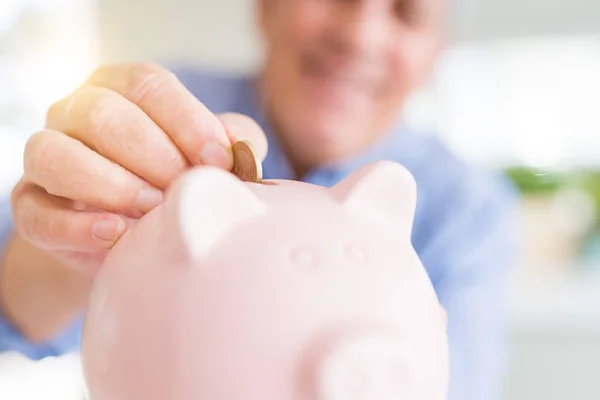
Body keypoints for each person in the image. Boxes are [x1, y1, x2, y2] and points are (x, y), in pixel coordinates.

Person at [0, 0, 519, 399]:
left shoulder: (468, 211)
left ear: (436, 52)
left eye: (407, 12)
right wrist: (90, 238)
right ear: (266, 6)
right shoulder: (160, 120)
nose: (360, 35)